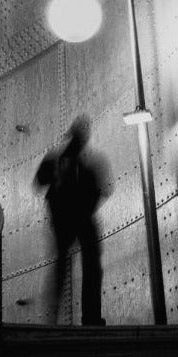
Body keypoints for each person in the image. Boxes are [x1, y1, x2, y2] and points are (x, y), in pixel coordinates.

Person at [35, 116, 111, 326]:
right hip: (83, 218)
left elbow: (40, 181)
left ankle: (54, 315)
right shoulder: (92, 158)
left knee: (63, 265)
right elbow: (105, 188)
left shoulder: (56, 155)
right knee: (92, 265)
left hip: (63, 219)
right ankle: (91, 317)